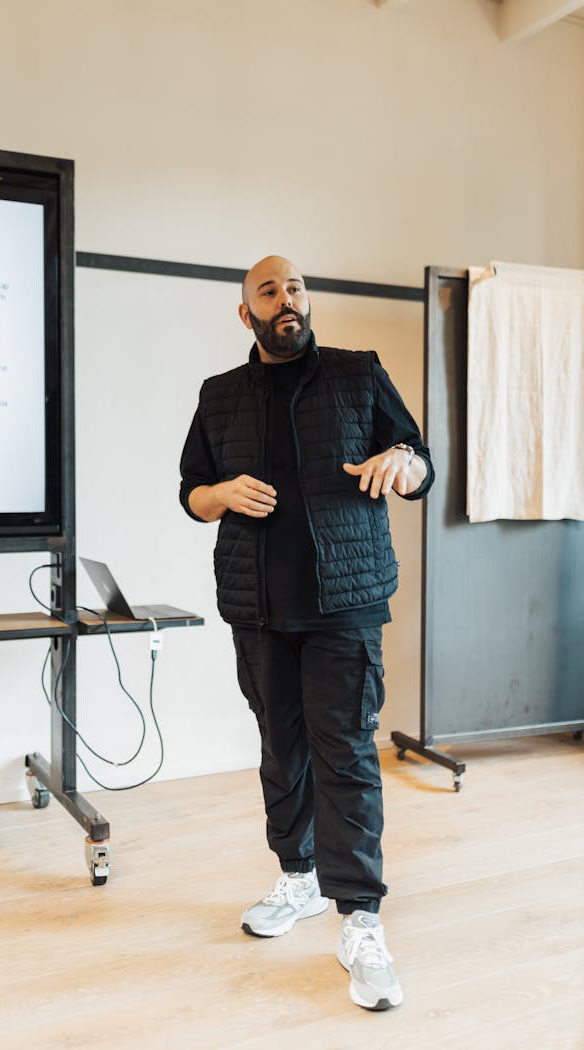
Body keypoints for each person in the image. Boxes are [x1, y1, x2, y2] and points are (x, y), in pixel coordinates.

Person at [179, 255, 434, 1012]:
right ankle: (299, 878)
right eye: (269, 291)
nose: (285, 300)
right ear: (246, 312)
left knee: (346, 751)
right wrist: (219, 493)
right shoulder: (219, 396)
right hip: (257, 605)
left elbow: (419, 460)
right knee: (281, 749)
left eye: (294, 289)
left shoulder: (359, 375)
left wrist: (402, 462)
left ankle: (360, 917)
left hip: (345, 604)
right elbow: (189, 491)